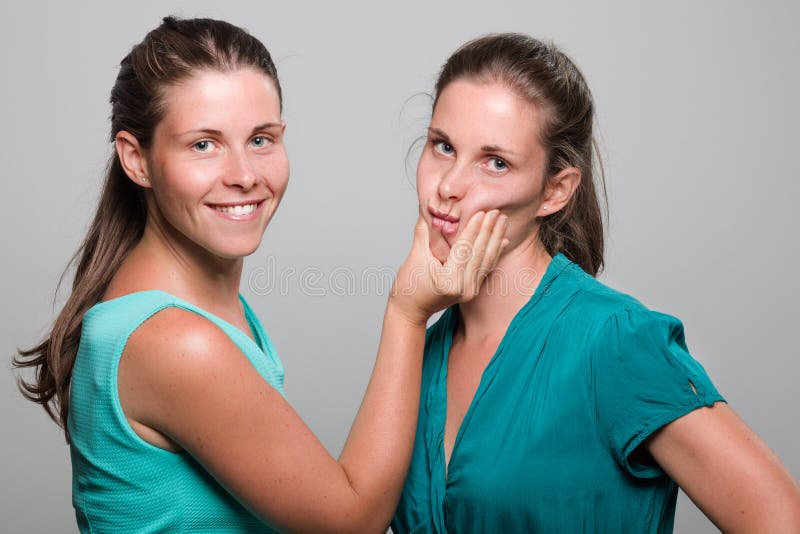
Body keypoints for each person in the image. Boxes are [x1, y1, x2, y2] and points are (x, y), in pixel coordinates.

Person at [13, 17, 509, 533]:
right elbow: (352, 523)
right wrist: (408, 313)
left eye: (260, 139)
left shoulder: (191, 305)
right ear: (136, 160)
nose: (244, 174)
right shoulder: (176, 342)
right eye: (203, 144)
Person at [392, 33, 800, 533]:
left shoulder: (615, 341)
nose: (449, 186)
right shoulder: (419, 345)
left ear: (555, 191)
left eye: (495, 162)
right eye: (443, 146)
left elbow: (780, 519)